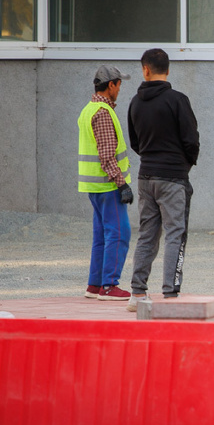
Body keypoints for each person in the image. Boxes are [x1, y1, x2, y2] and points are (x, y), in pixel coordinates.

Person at [126, 48, 200, 311]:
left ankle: (137, 294)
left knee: (147, 234)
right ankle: (170, 294)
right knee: (175, 234)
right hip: (173, 178)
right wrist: (184, 165)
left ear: (145, 69)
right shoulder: (177, 100)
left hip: (145, 176)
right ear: (167, 70)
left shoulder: (135, 102)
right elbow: (191, 140)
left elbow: (135, 142)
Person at [78, 65, 133, 301]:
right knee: (120, 233)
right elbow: (107, 154)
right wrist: (122, 184)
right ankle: (109, 286)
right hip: (108, 185)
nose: (120, 88)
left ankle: (95, 285)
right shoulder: (102, 112)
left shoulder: (88, 110)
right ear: (111, 85)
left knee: (102, 236)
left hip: (94, 186)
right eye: (119, 84)